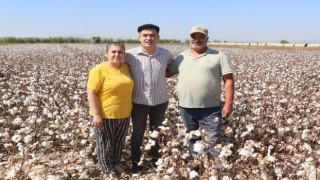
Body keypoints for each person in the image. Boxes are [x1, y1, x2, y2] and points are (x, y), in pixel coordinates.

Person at [167, 25, 234, 157]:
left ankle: (214, 170)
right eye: (194, 36)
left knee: (212, 141)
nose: (197, 39)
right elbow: (167, 73)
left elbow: (229, 80)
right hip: (186, 107)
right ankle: (197, 167)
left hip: (211, 108)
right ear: (189, 39)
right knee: (192, 138)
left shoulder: (218, 56)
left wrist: (228, 104)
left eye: (201, 36)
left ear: (207, 38)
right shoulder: (182, 56)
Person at [125, 23, 173, 175]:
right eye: (145, 35)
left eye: (152, 35)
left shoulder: (165, 54)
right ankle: (135, 163)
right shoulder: (129, 55)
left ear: (158, 37)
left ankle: (155, 160)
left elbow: (170, 71)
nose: (148, 38)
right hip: (138, 102)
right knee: (138, 133)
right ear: (139, 37)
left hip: (160, 101)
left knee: (157, 133)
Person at [87, 42, 134, 179]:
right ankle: (107, 169)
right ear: (106, 54)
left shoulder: (126, 67)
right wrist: (96, 114)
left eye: (120, 52)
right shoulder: (98, 70)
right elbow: (91, 93)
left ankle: (115, 163)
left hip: (124, 114)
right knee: (104, 143)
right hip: (104, 114)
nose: (117, 55)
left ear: (124, 54)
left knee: (118, 142)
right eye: (113, 52)